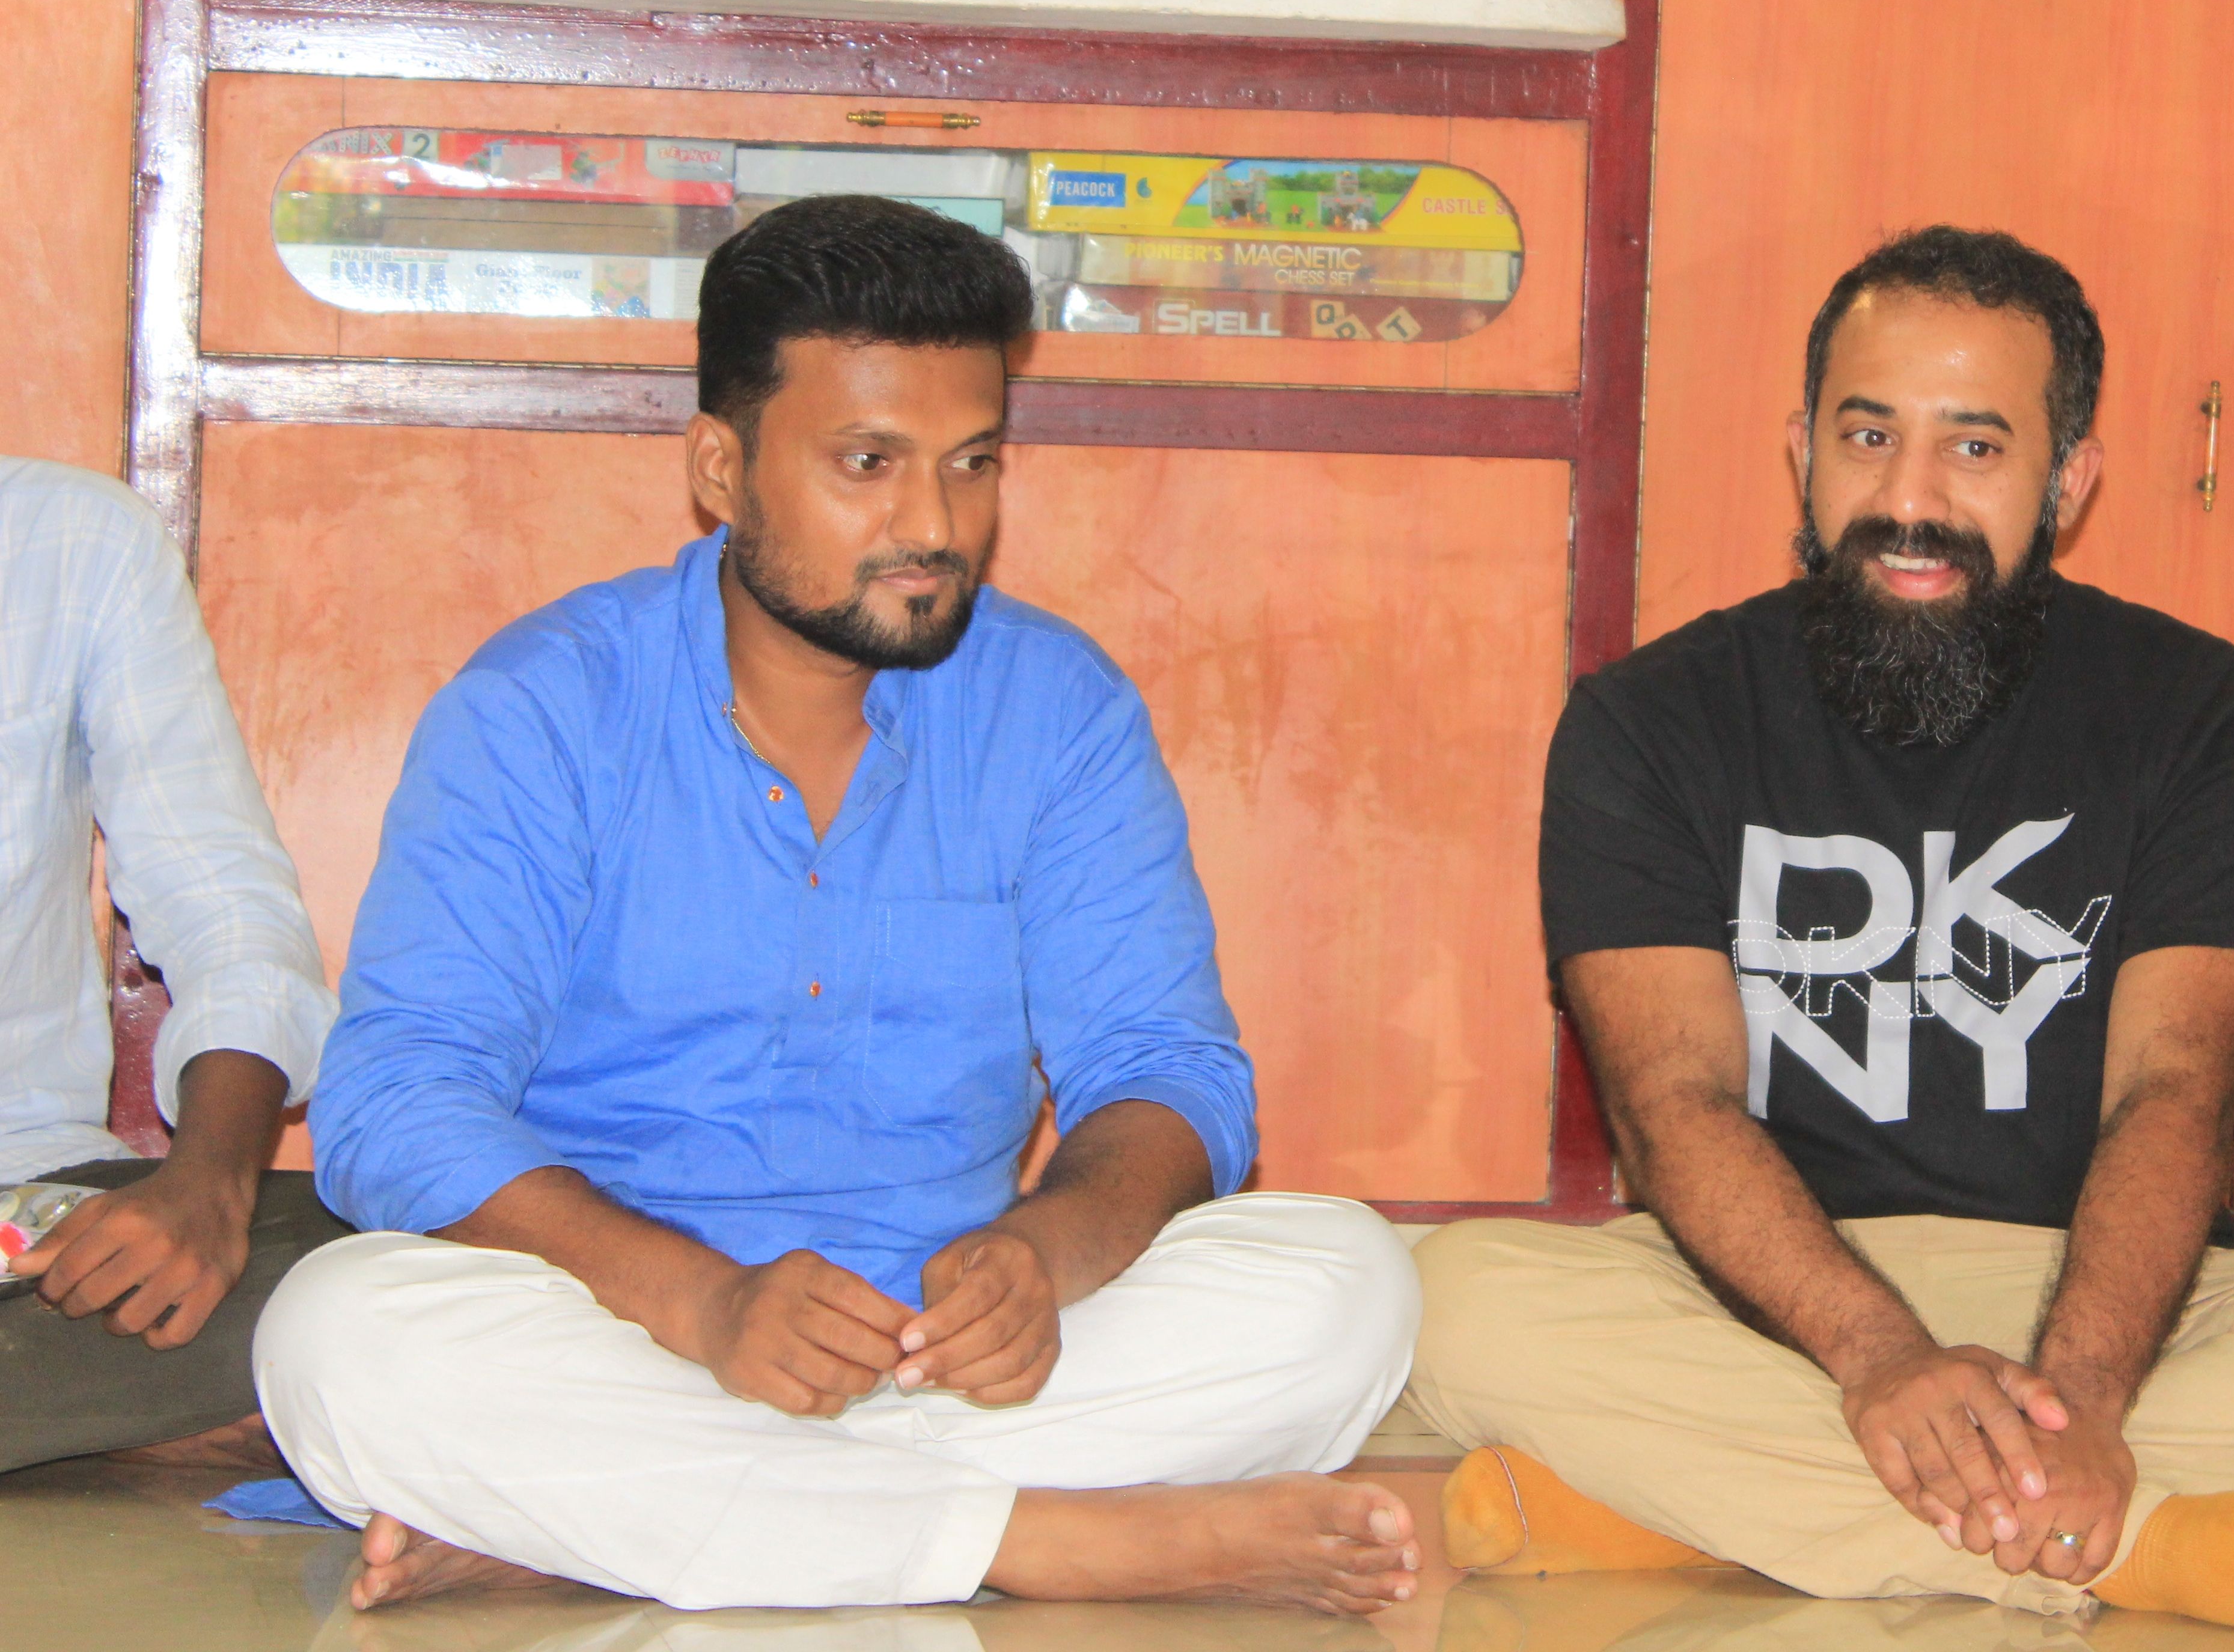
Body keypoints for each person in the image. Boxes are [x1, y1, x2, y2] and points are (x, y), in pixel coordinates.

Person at [254, 197, 1421, 1615]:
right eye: (869, 463)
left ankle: (619, 1524)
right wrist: (703, 1302)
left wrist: (1040, 1256)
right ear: (720, 467)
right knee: (339, 1337)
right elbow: (395, 1100)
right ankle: (1051, 1543)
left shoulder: (1056, 708)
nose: (933, 525)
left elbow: (1166, 1068)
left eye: (973, 463)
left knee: (1347, 1285)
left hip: (947, 1355)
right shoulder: (544, 707)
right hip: (625, 1331)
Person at [1405, 228, 2234, 1646]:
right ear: (1802, 451)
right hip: (1771, 1301)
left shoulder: (2206, 717)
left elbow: (2175, 1091)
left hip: (2101, 1297)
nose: (1909, 500)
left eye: (1975, 449)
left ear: (2070, 481)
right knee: (1450, 1302)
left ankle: (1686, 1518)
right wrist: (1878, 1359)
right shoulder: (1650, 720)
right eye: (1868, 437)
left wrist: (2090, 1395)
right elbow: (1671, 1103)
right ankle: (2146, 1545)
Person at [0, 455, 343, 1475]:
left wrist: (208, 1188)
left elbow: (224, 905)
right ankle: (117, 1423)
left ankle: (87, 1422)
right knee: (336, 1363)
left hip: (25, 1206)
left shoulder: (70, 540)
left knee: (394, 1257)